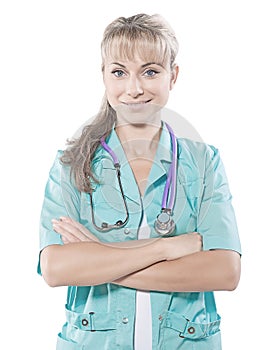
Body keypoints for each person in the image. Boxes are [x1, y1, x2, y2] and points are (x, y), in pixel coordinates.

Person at [38, 13, 241, 350]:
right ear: (103, 76)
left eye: (150, 71)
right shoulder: (71, 164)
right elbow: (56, 268)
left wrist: (98, 258)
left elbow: (225, 272)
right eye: (119, 72)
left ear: (172, 76)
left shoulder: (205, 162)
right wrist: (166, 247)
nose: (134, 88)